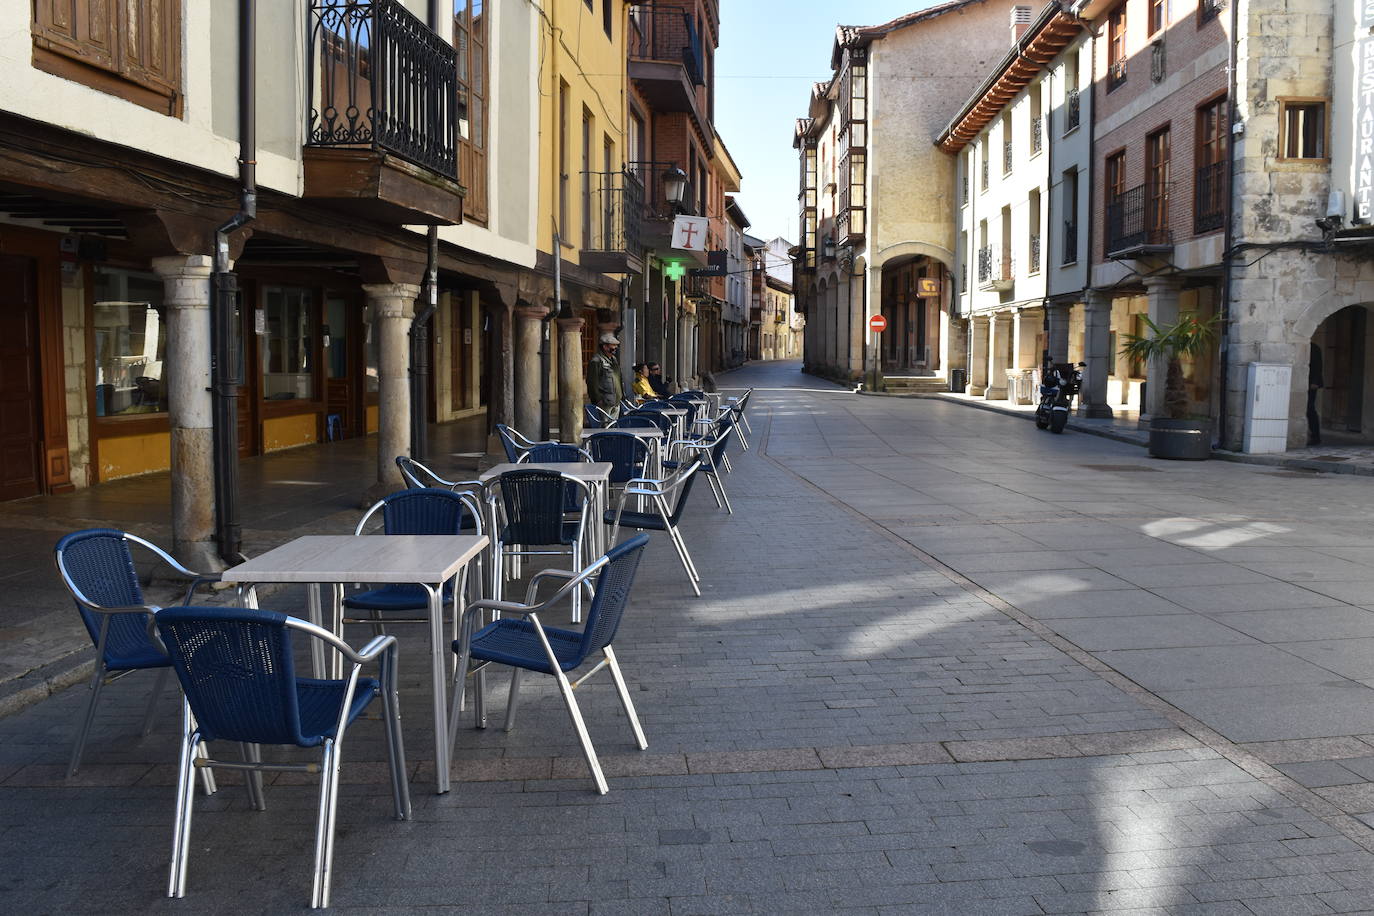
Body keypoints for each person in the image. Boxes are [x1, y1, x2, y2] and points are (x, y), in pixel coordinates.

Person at [587, 332, 623, 417]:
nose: (615, 348)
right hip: (604, 402)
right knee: (605, 426)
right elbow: (592, 382)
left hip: (616, 401)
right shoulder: (596, 361)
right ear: (605, 347)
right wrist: (598, 399)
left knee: (613, 426)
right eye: (613, 345)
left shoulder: (613, 359)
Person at [1308, 341, 1324, 446]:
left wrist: (1315, 382)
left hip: (1311, 384)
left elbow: (1318, 366)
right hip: (1305, 382)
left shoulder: (1314, 348)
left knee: (1309, 409)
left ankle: (1315, 436)